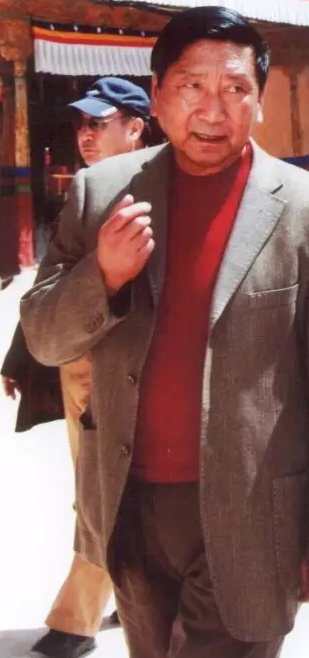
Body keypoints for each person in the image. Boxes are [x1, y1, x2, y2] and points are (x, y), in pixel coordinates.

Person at [20, 6, 309, 658]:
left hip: (254, 515)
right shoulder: (101, 195)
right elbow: (44, 338)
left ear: (260, 100)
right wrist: (103, 276)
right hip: (130, 507)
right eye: (191, 86)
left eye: (235, 88)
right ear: (156, 96)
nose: (213, 109)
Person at [2, 76, 150, 658]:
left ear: (136, 128)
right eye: (81, 124)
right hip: (79, 362)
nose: (85, 135)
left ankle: (77, 620)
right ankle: (122, 591)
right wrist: (22, 354)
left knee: (104, 489)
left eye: (99, 123)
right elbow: (53, 283)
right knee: (97, 485)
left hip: (126, 366)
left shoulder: (150, 190)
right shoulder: (87, 190)